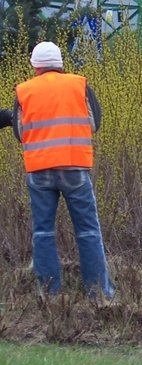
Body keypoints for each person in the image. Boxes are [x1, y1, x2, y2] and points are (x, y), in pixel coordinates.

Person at [12, 41, 114, 299]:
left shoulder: (24, 90)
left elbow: (19, 132)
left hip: (39, 169)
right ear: (60, 63)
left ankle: (50, 296)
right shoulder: (79, 84)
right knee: (89, 231)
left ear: (35, 65)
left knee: (43, 232)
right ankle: (99, 294)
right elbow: (94, 123)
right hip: (74, 166)